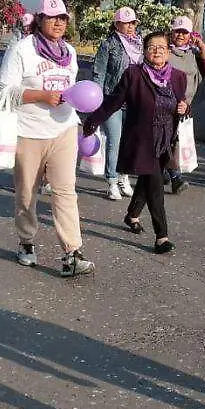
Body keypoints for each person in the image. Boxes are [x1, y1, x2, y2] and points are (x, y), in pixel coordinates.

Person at [0, 0, 95, 277]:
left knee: (65, 191)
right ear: (39, 20)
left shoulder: (70, 53)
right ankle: (26, 241)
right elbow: (3, 90)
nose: (58, 23)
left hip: (63, 129)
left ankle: (72, 253)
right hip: (29, 132)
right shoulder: (22, 49)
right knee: (27, 193)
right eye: (52, 18)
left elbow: (72, 89)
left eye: (62, 18)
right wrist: (41, 95)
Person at [83, 31, 188, 254]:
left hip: (165, 140)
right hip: (142, 141)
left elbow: (181, 105)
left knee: (147, 181)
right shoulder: (133, 74)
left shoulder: (178, 77)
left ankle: (131, 215)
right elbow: (114, 101)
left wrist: (184, 108)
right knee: (155, 184)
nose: (157, 50)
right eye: (151, 47)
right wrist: (93, 120)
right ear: (144, 52)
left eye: (161, 46)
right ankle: (162, 236)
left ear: (168, 51)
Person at [91, 6, 142, 201]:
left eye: (133, 22)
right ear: (116, 24)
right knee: (115, 141)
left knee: (130, 141)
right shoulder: (108, 44)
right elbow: (99, 72)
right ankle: (111, 180)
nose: (130, 26)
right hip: (113, 99)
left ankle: (123, 176)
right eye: (126, 22)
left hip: (135, 100)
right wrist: (97, 100)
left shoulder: (139, 43)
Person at [166, 16, 205, 194]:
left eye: (184, 32)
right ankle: (175, 177)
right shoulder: (165, 51)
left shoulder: (193, 54)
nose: (180, 35)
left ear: (189, 35)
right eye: (177, 31)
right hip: (165, 103)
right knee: (167, 140)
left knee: (175, 140)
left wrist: (201, 44)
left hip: (186, 105)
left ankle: (165, 170)